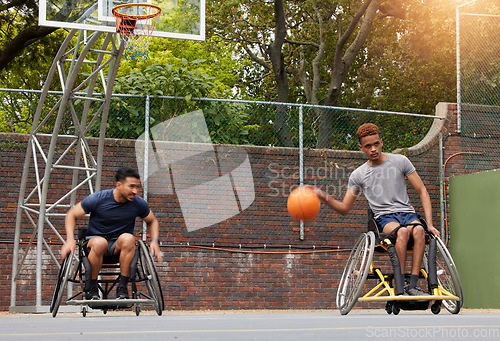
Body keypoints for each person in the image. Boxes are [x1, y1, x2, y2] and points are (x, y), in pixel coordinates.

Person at [311, 123, 440, 296]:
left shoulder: (401, 161)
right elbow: (344, 208)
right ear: (361, 148)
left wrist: (429, 224)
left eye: (376, 144)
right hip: (384, 218)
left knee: (419, 231)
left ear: (381, 142)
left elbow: (423, 191)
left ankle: (413, 285)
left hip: (407, 213)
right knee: (402, 233)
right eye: (368, 146)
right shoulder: (358, 175)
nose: (373, 149)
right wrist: (322, 195)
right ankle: (400, 285)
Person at [61, 167, 162, 300]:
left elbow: (152, 221)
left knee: (128, 238)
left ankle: (123, 287)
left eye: (137, 187)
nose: (135, 191)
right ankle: (91, 287)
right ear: (119, 185)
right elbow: (71, 215)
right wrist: (69, 240)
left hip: (119, 246)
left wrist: (154, 241)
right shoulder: (99, 198)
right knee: (99, 242)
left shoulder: (138, 203)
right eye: (131, 186)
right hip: (95, 242)